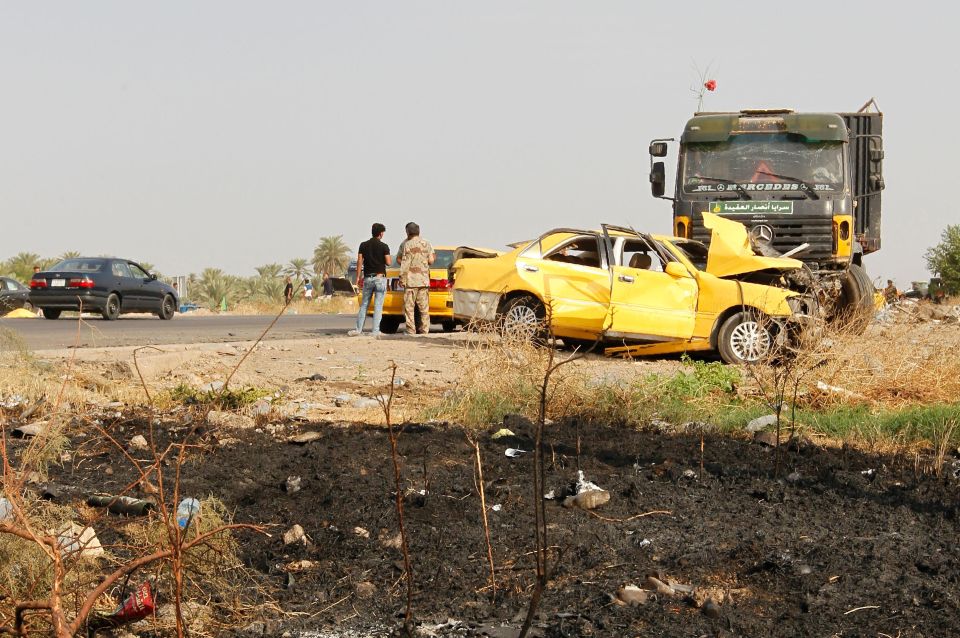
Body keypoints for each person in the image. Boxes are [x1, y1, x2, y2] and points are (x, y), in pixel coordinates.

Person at [350, 223, 391, 336]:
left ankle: (358, 330)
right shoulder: (384, 246)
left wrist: (358, 277)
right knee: (378, 305)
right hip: (379, 278)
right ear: (381, 233)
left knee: (364, 305)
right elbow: (388, 262)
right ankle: (375, 331)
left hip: (368, 278)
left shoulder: (363, 245)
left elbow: (359, 262)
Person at [397, 221, 435, 335]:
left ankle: (411, 330)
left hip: (411, 281)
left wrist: (402, 279)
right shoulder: (427, 243)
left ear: (407, 232)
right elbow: (431, 260)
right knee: (424, 309)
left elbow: (405, 264)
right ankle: (425, 330)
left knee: (409, 308)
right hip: (423, 280)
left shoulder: (407, 244)